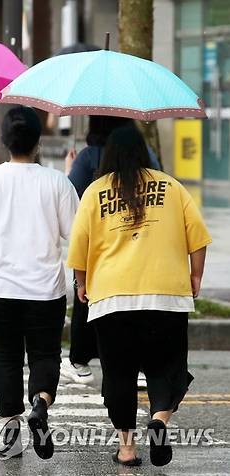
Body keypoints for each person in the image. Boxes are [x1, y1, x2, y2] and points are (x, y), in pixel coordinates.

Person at [67, 125, 211, 467]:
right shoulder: (172, 187)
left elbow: (78, 248)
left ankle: (128, 449)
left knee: (119, 374)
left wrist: (82, 284)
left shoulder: (95, 191)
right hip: (165, 294)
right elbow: (199, 237)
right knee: (167, 365)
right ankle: (159, 420)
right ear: (144, 153)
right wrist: (195, 275)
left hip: (112, 297)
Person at [0, 106, 79, 460]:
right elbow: (74, 232)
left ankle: (11, 437)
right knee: (45, 354)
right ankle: (40, 403)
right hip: (45, 289)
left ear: (4, 140)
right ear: (38, 141)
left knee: (7, 359)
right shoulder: (57, 181)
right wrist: (69, 176)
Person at [62, 116, 162, 388]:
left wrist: (70, 167)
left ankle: (80, 362)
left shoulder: (88, 157)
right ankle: (140, 366)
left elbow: (73, 201)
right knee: (138, 304)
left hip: (100, 247)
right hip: (140, 243)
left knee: (86, 300)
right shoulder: (147, 154)